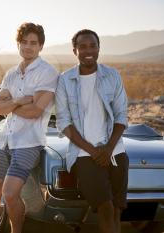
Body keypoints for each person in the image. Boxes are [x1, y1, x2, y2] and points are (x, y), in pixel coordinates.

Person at [0, 22, 58, 233]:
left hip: (28, 143)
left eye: (33, 43)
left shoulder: (47, 72)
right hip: (4, 140)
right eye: (24, 42)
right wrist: (20, 100)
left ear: (41, 46)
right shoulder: (11, 73)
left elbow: (35, 111)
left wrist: (10, 105)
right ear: (18, 44)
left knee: (10, 193)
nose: (28, 47)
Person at [55, 29, 128, 233]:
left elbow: (121, 115)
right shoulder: (65, 80)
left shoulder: (112, 75)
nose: (88, 50)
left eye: (92, 45)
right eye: (83, 46)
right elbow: (64, 122)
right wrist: (95, 151)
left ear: (98, 48)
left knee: (116, 212)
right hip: (84, 155)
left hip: (116, 152)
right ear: (74, 50)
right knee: (105, 208)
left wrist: (108, 148)